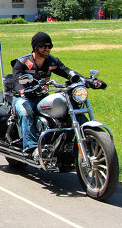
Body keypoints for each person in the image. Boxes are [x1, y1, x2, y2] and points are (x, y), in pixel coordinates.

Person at [11, 31, 75, 160]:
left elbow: (66, 71)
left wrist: (82, 79)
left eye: (49, 46)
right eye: (43, 46)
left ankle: (66, 143)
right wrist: (22, 90)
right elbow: (17, 80)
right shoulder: (23, 62)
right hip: (24, 98)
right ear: (35, 47)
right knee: (26, 111)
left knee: (66, 109)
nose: (47, 49)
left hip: (42, 96)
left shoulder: (51, 61)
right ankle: (31, 147)